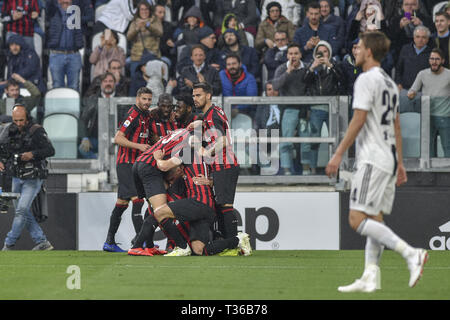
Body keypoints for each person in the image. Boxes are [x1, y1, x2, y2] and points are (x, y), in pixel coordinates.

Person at [325, 31, 428, 293]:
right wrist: (400, 163)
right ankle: (371, 275)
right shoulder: (390, 83)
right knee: (375, 218)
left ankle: (410, 253)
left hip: (372, 158)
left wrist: (338, 154)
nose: (355, 51)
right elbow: (396, 126)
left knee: (356, 219)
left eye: (358, 47)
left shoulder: (366, 80)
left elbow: (358, 120)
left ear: (369, 51)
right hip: (389, 158)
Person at [103, 87, 152, 252]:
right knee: (138, 200)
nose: (146, 102)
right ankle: (141, 242)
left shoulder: (146, 115)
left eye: (149, 99)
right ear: (138, 98)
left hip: (135, 165)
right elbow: (118, 138)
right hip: (126, 163)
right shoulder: (133, 115)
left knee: (122, 203)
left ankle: (109, 242)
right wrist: (139, 146)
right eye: (144, 99)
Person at [1, 104, 55, 251]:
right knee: (22, 211)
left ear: (27, 118)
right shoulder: (9, 130)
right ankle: (42, 241)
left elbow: (50, 150)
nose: (18, 124)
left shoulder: (36, 131)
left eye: (21, 120)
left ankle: (8, 244)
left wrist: (33, 154)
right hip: (16, 176)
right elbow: (2, 149)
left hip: (33, 176)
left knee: (21, 211)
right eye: (16, 120)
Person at [192, 82, 240, 240]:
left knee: (225, 205)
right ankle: (229, 241)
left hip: (225, 164)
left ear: (208, 95)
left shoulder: (212, 115)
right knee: (221, 204)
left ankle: (234, 242)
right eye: (193, 96)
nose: (195, 99)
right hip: (221, 165)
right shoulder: (210, 114)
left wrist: (207, 152)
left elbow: (224, 140)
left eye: (198, 95)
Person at [302, 40, 344, 175]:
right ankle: (313, 168)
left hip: (333, 107)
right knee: (314, 139)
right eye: (319, 52)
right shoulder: (312, 66)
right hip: (316, 107)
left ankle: (336, 170)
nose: (323, 55)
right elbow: (304, 81)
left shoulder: (335, 65)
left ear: (330, 53)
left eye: (325, 51)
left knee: (335, 138)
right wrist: (312, 68)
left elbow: (342, 79)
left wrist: (330, 66)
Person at [272, 43, 307, 175]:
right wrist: (288, 72)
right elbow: (275, 85)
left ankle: (307, 171)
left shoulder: (306, 68)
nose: (293, 56)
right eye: (291, 54)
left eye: (296, 53)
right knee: (286, 141)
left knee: (306, 142)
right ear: (287, 55)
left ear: (300, 55)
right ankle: (286, 171)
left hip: (304, 110)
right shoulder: (282, 68)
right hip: (288, 110)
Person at [407, 48, 450, 157]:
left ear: (442, 61)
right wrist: (411, 94)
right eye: (432, 59)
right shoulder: (422, 74)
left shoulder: (448, 74)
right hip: (427, 117)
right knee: (428, 148)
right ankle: (429, 174)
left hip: (445, 116)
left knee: (447, 147)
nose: (434, 62)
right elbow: (412, 90)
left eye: (437, 59)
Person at [79, 72, 124, 159]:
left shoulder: (121, 100)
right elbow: (83, 120)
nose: (108, 83)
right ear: (101, 84)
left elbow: (126, 121)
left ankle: (104, 161)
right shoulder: (92, 99)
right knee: (82, 149)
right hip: (96, 139)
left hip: (115, 139)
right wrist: (85, 138)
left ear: (115, 84)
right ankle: (100, 161)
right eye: (105, 81)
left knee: (122, 152)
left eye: (110, 81)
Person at [46, 0, 84, 91]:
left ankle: (74, 106)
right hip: (56, 54)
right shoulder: (53, 10)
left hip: (74, 54)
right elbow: (48, 4)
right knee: (57, 86)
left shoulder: (76, 10)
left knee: (74, 86)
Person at [396, 25, 432, 113]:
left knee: (423, 121)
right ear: (413, 38)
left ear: (427, 39)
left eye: (423, 37)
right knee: (404, 118)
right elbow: (399, 68)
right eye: (418, 37)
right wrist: (398, 83)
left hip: (423, 93)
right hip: (405, 90)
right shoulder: (405, 49)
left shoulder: (432, 53)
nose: (420, 39)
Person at [127, 1, 163, 79]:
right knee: (135, 78)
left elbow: (160, 33)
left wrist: (147, 25)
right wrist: (137, 29)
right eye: (142, 9)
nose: (144, 11)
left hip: (152, 54)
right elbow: (129, 37)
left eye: (146, 9)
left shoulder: (155, 20)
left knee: (155, 79)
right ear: (139, 11)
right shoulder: (134, 22)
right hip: (137, 56)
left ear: (150, 10)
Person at [219, 53, 258, 118]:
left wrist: (238, 109)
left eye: (234, 64)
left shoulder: (249, 78)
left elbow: (251, 99)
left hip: (245, 112)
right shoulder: (221, 75)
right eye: (229, 64)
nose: (231, 67)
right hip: (224, 111)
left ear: (240, 64)